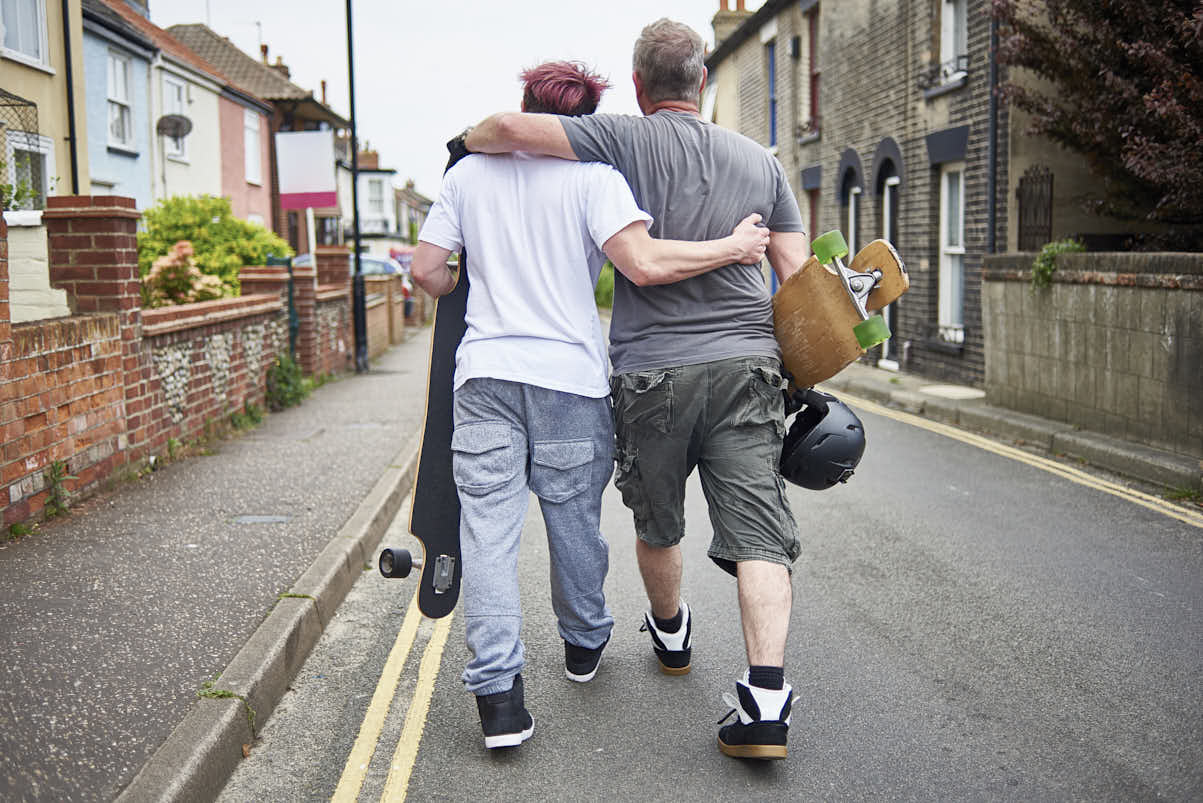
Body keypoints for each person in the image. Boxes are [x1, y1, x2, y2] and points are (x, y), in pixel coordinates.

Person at [465, 20, 811, 760]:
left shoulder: (621, 139)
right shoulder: (762, 162)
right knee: (758, 530)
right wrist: (796, 374)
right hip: (748, 364)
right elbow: (798, 282)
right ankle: (766, 699)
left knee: (658, 519)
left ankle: (671, 629)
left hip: (649, 370)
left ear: (637, 86)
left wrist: (466, 146)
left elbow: (502, 128)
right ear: (705, 82)